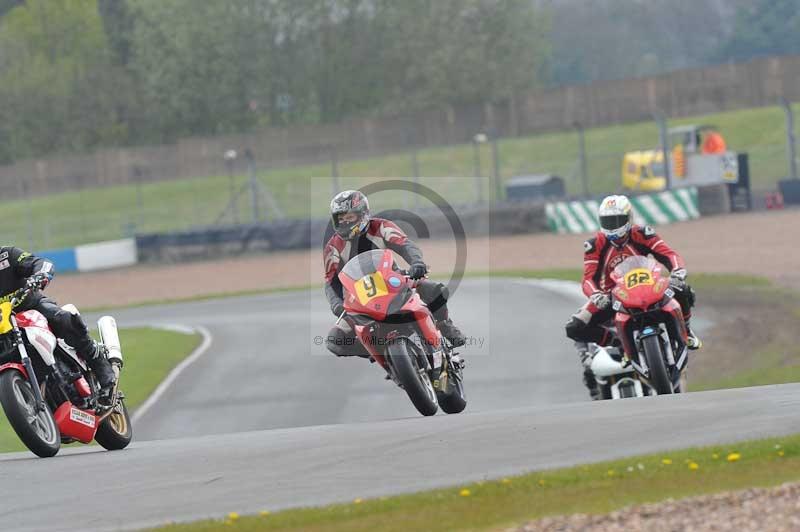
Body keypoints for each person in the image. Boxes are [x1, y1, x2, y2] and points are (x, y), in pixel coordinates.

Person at [564, 195, 701, 399]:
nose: (613, 226)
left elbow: (669, 254)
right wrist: (596, 296)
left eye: (617, 220)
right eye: (608, 222)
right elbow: (587, 279)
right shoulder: (594, 244)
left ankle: (687, 332)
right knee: (575, 327)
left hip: (650, 285)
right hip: (613, 295)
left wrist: (678, 271)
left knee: (683, 290)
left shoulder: (643, 233)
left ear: (629, 218)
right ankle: (618, 342)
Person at [323, 190, 466, 358]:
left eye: (350, 217)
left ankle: (444, 325)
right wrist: (336, 303)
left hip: (392, 282)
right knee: (335, 341)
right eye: (341, 218)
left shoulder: (381, 226)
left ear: (363, 214)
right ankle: (381, 353)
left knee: (434, 289)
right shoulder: (332, 247)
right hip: (359, 300)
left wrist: (416, 262)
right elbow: (330, 280)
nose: (345, 222)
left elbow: (405, 244)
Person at [0, 247, 116, 392]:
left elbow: (41, 263)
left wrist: (40, 275)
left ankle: (98, 362)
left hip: (32, 306)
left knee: (63, 319)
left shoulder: (7, 256)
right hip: (3, 327)